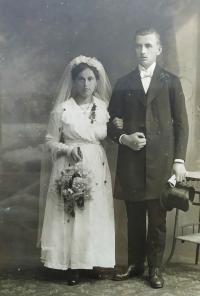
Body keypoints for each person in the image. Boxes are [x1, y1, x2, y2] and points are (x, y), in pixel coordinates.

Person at [107, 28, 189, 289]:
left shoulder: (171, 81)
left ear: (159, 49)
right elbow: (109, 123)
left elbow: (181, 126)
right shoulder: (123, 82)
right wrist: (124, 139)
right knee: (133, 216)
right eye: (138, 46)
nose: (142, 51)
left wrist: (179, 160)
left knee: (157, 218)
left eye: (148, 46)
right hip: (131, 162)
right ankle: (135, 264)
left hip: (161, 162)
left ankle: (154, 268)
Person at [38, 56, 115, 285]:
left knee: (93, 212)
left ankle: (89, 261)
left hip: (96, 163)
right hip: (69, 164)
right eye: (81, 79)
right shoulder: (63, 109)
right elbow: (50, 141)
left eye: (90, 79)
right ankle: (71, 265)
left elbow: (110, 135)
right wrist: (66, 148)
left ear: (96, 81)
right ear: (73, 81)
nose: (86, 84)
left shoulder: (103, 108)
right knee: (71, 212)